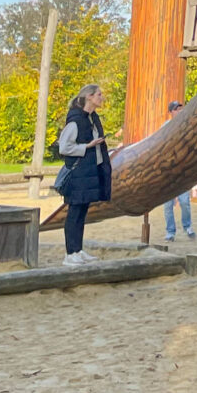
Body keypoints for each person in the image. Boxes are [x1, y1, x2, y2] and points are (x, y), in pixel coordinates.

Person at [55, 83, 112, 267]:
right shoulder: (76, 119)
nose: (101, 98)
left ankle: (77, 250)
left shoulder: (92, 118)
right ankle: (70, 254)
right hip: (78, 173)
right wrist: (87, 146)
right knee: (74, 213)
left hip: (89, 172)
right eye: (99, 94)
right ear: (89, 96)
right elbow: (64, 147)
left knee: (82, 212)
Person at [161, 101, 195, 242]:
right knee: (168, 204)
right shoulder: (164, 128)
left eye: (181, 109)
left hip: (183, 170)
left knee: (184, 201)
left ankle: (187, 226)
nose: (180, 111)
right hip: (168, 170)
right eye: (177, 109)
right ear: (171, 112)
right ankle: (170, 231)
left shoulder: (187, 126)